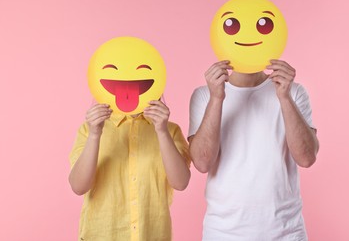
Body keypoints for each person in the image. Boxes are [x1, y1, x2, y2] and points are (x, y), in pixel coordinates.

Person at [188, 59, 319, 240]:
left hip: (286, 233)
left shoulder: (294, 91)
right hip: (223, 233)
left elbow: (306, 158)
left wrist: (285, 97)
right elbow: (202, 163)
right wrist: (216, 98)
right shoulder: (205, 95)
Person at [69, 100, 191, 241]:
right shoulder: (88, 129)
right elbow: (78, 187)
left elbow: (181, 183)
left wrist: (162, 131)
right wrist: (94, 135)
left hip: (152, 236)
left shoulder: (170, 130)